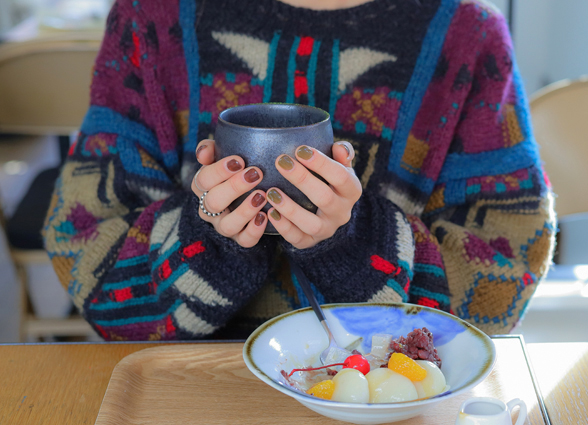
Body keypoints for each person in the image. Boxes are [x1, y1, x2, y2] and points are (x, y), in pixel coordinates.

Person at [43, 0, 555, 341]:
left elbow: (503, 279)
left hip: (391, 403)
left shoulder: (467, 40)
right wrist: (207, 234)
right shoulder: (150, 19)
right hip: (190, 401)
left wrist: (357, 243)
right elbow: (83, 247)